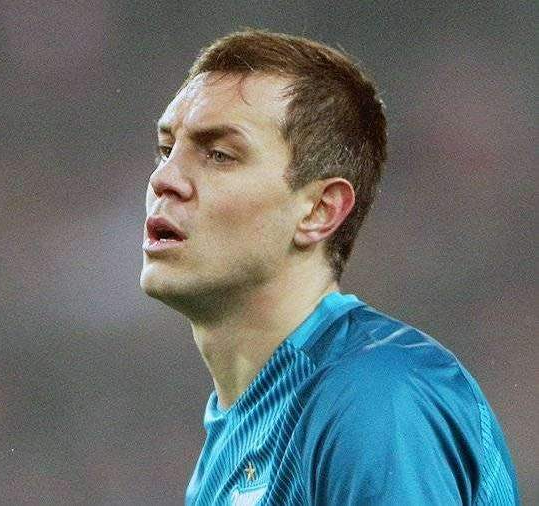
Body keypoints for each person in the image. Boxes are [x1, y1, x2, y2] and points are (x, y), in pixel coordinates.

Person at [139, 29, 519, 505]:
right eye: (166, 150)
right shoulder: (231, 447)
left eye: (219, 155)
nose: (164, 178)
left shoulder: (376, 396)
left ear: (319, 211)